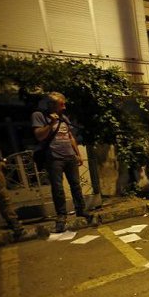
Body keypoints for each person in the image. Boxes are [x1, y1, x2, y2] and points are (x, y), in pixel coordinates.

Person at [32, 92, 91, 233]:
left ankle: (81, 210)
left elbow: (70, 136)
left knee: (76, 185)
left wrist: (77, 154)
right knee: (58, 188)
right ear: (51, 104)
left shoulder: (63, 117)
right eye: (61, 104)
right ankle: (61, 215)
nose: (64, 107)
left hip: (69, 157)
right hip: (54, 158)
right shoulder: (39, 116)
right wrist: (51, 123)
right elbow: (39, 136)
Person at [0, 134, 25, 239]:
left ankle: (16, 228)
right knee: (4, 199)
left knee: (4, 199)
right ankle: (15, 229)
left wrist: (1, 160)